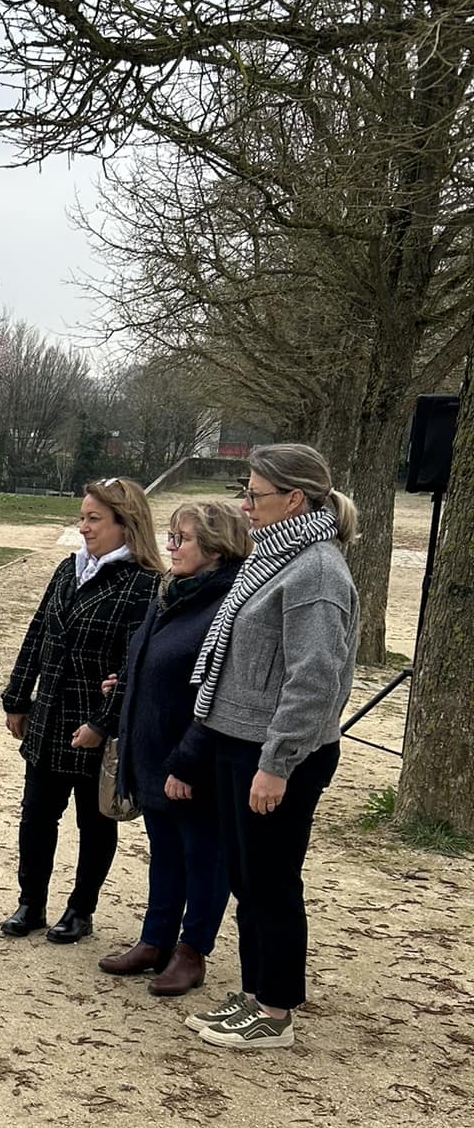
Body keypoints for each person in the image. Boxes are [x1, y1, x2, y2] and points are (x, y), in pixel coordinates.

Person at [181, 445, 360, 1049]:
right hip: (241, 741)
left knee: (271, 880)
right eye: (246, 490)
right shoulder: (276, 558)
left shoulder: (316, 571)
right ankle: (257, 991)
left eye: (255, 494)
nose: (245, 504)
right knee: (246, 876)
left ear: (294, 499)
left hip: (278, 753)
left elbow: (315, 680)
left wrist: (277, 763)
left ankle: (277, 1011)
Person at [96, 499, 252, 996]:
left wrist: (187, 761)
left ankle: (192, 951)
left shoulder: (229, 603)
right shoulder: (172, 593)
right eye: (170, 535)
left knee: (203, 856)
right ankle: (156, 939)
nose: (171, 546)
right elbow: (153, 657)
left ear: (215, 547)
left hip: (194, 762)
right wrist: (129, 683)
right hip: (154, 754)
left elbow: (220, 693)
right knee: (165, 852)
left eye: (182, 538)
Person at [0, 477, 162, 943]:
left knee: (93, 823)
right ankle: (30, 902)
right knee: (35, 815)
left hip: (95, 725)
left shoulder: (143, 584)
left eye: (94, 518)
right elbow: (37, 635)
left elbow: (134, 667)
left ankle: (80, 909)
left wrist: (101, 723)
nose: (84, 527)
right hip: (48, 715)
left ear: (125, 524)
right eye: (82, 517)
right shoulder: (67, 570)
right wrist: (17, 697)